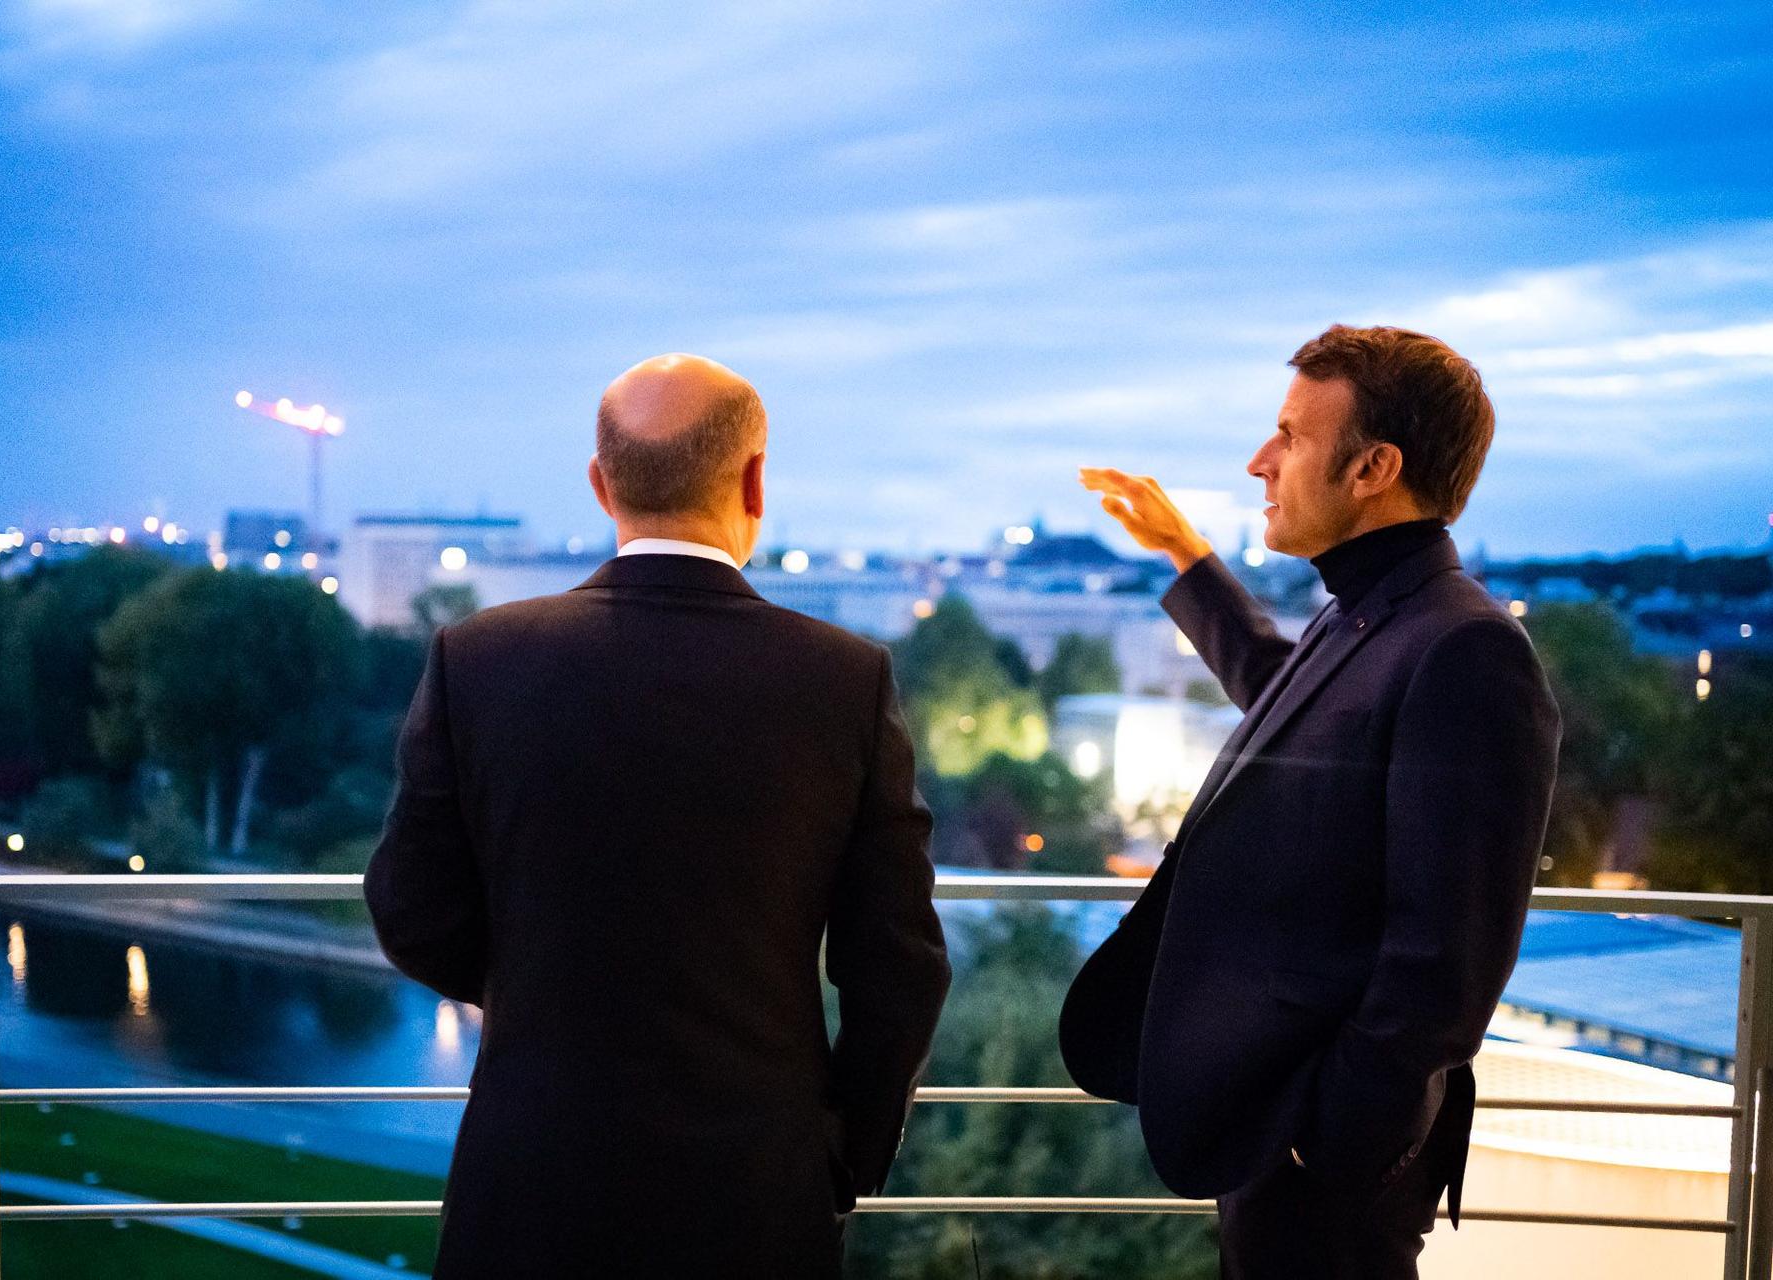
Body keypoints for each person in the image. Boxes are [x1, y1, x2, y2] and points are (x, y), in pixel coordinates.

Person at [364, 353, 951, 1278]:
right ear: (755, 479)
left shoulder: (478, 660)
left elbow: (409, 909)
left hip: (531, 1180)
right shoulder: (843, 680)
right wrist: (841, 1159)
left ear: (601, 486)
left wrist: (544, 999)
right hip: (757, 1194)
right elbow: (902, 968)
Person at [1059, 325, 1561, 1278]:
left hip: (1326, 1159)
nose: (1260, 461)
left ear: (1373, 467)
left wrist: (1320, 1142)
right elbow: (1294, 706)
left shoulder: (1466, 650)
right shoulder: (1380, 615)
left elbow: (1445, 970)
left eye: (1289, 435)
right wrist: (1187, 556)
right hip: (1285, 1128)